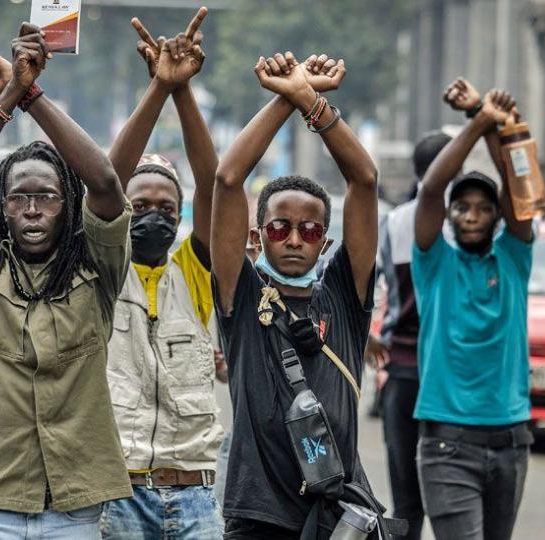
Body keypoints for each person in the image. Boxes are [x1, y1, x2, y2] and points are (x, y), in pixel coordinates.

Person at [0, 24, 132, 539]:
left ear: (67, 206)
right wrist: (6, 99)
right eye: (18, 197)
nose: (31, 209)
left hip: (74, 511)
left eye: (46, 196)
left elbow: (108, 184)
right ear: (0, 207)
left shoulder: (98, 266)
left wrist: (33, 97)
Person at [210, 52, 382, 539]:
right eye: (279, 226)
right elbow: (227, 179)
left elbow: (364, 180)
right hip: (257, 517)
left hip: (338, 515)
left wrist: (311, 102)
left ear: (325, 243)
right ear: (256, 236)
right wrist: (285, 100)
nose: (292, 239)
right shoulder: (241, 297)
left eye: (308, 231)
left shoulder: (345, 298)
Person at [93, 8, 224, 539]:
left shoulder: (194, 273)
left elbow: (214, 185)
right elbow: (106, 180)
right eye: (140, 204)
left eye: (167, 208)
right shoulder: (99, 272)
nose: (154, 215)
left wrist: (182, 92)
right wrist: (157, 91)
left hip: (194, 495)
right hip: (117, 494)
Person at [412, 80, 534, 540]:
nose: (471, 215)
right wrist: (479, 122)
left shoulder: (514, 259)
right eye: (461, 207)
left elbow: (522, 192)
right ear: (450, 215)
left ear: (498, 217)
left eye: (484, 208)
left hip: (511, 442)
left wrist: (492, 125)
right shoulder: (434, 263)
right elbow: (430, 191)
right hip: (447, 443)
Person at [369, 129, 451, 540]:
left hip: (401, 368)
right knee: (451, 495)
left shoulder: (394, 221)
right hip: (447, 373)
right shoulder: (461, 224)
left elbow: (370, 282)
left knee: (406, 497)